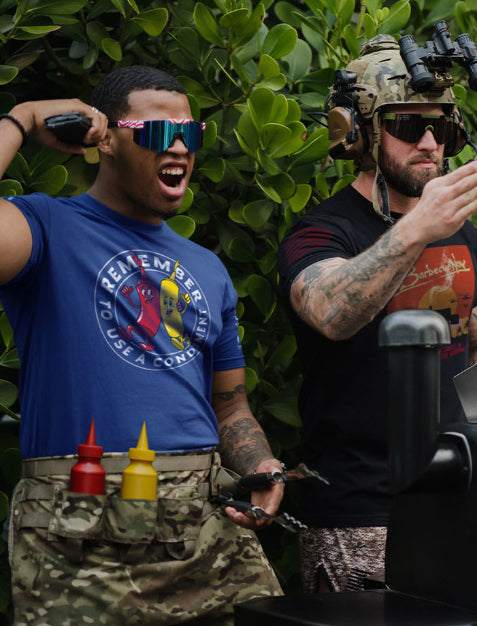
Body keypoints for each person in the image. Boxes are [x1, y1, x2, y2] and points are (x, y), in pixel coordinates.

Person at [0, 66, 283, 624]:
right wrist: (22, 118)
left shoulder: (208, 267)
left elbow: (230, 403)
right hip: (83, 540)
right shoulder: (45, 226)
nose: (178, 145)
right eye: (156, 133)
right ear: (103, 138)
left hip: (204, 535)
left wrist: (260, 463)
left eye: (190, 134)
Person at [277, 35, 477, 594]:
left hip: (455, 499)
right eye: (408, 126)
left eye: (444, 127)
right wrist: (416, 229)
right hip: (356, 514)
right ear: (361, 133)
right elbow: (332, 312)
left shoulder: (461, 229)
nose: (430, 143)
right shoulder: (321, 231)